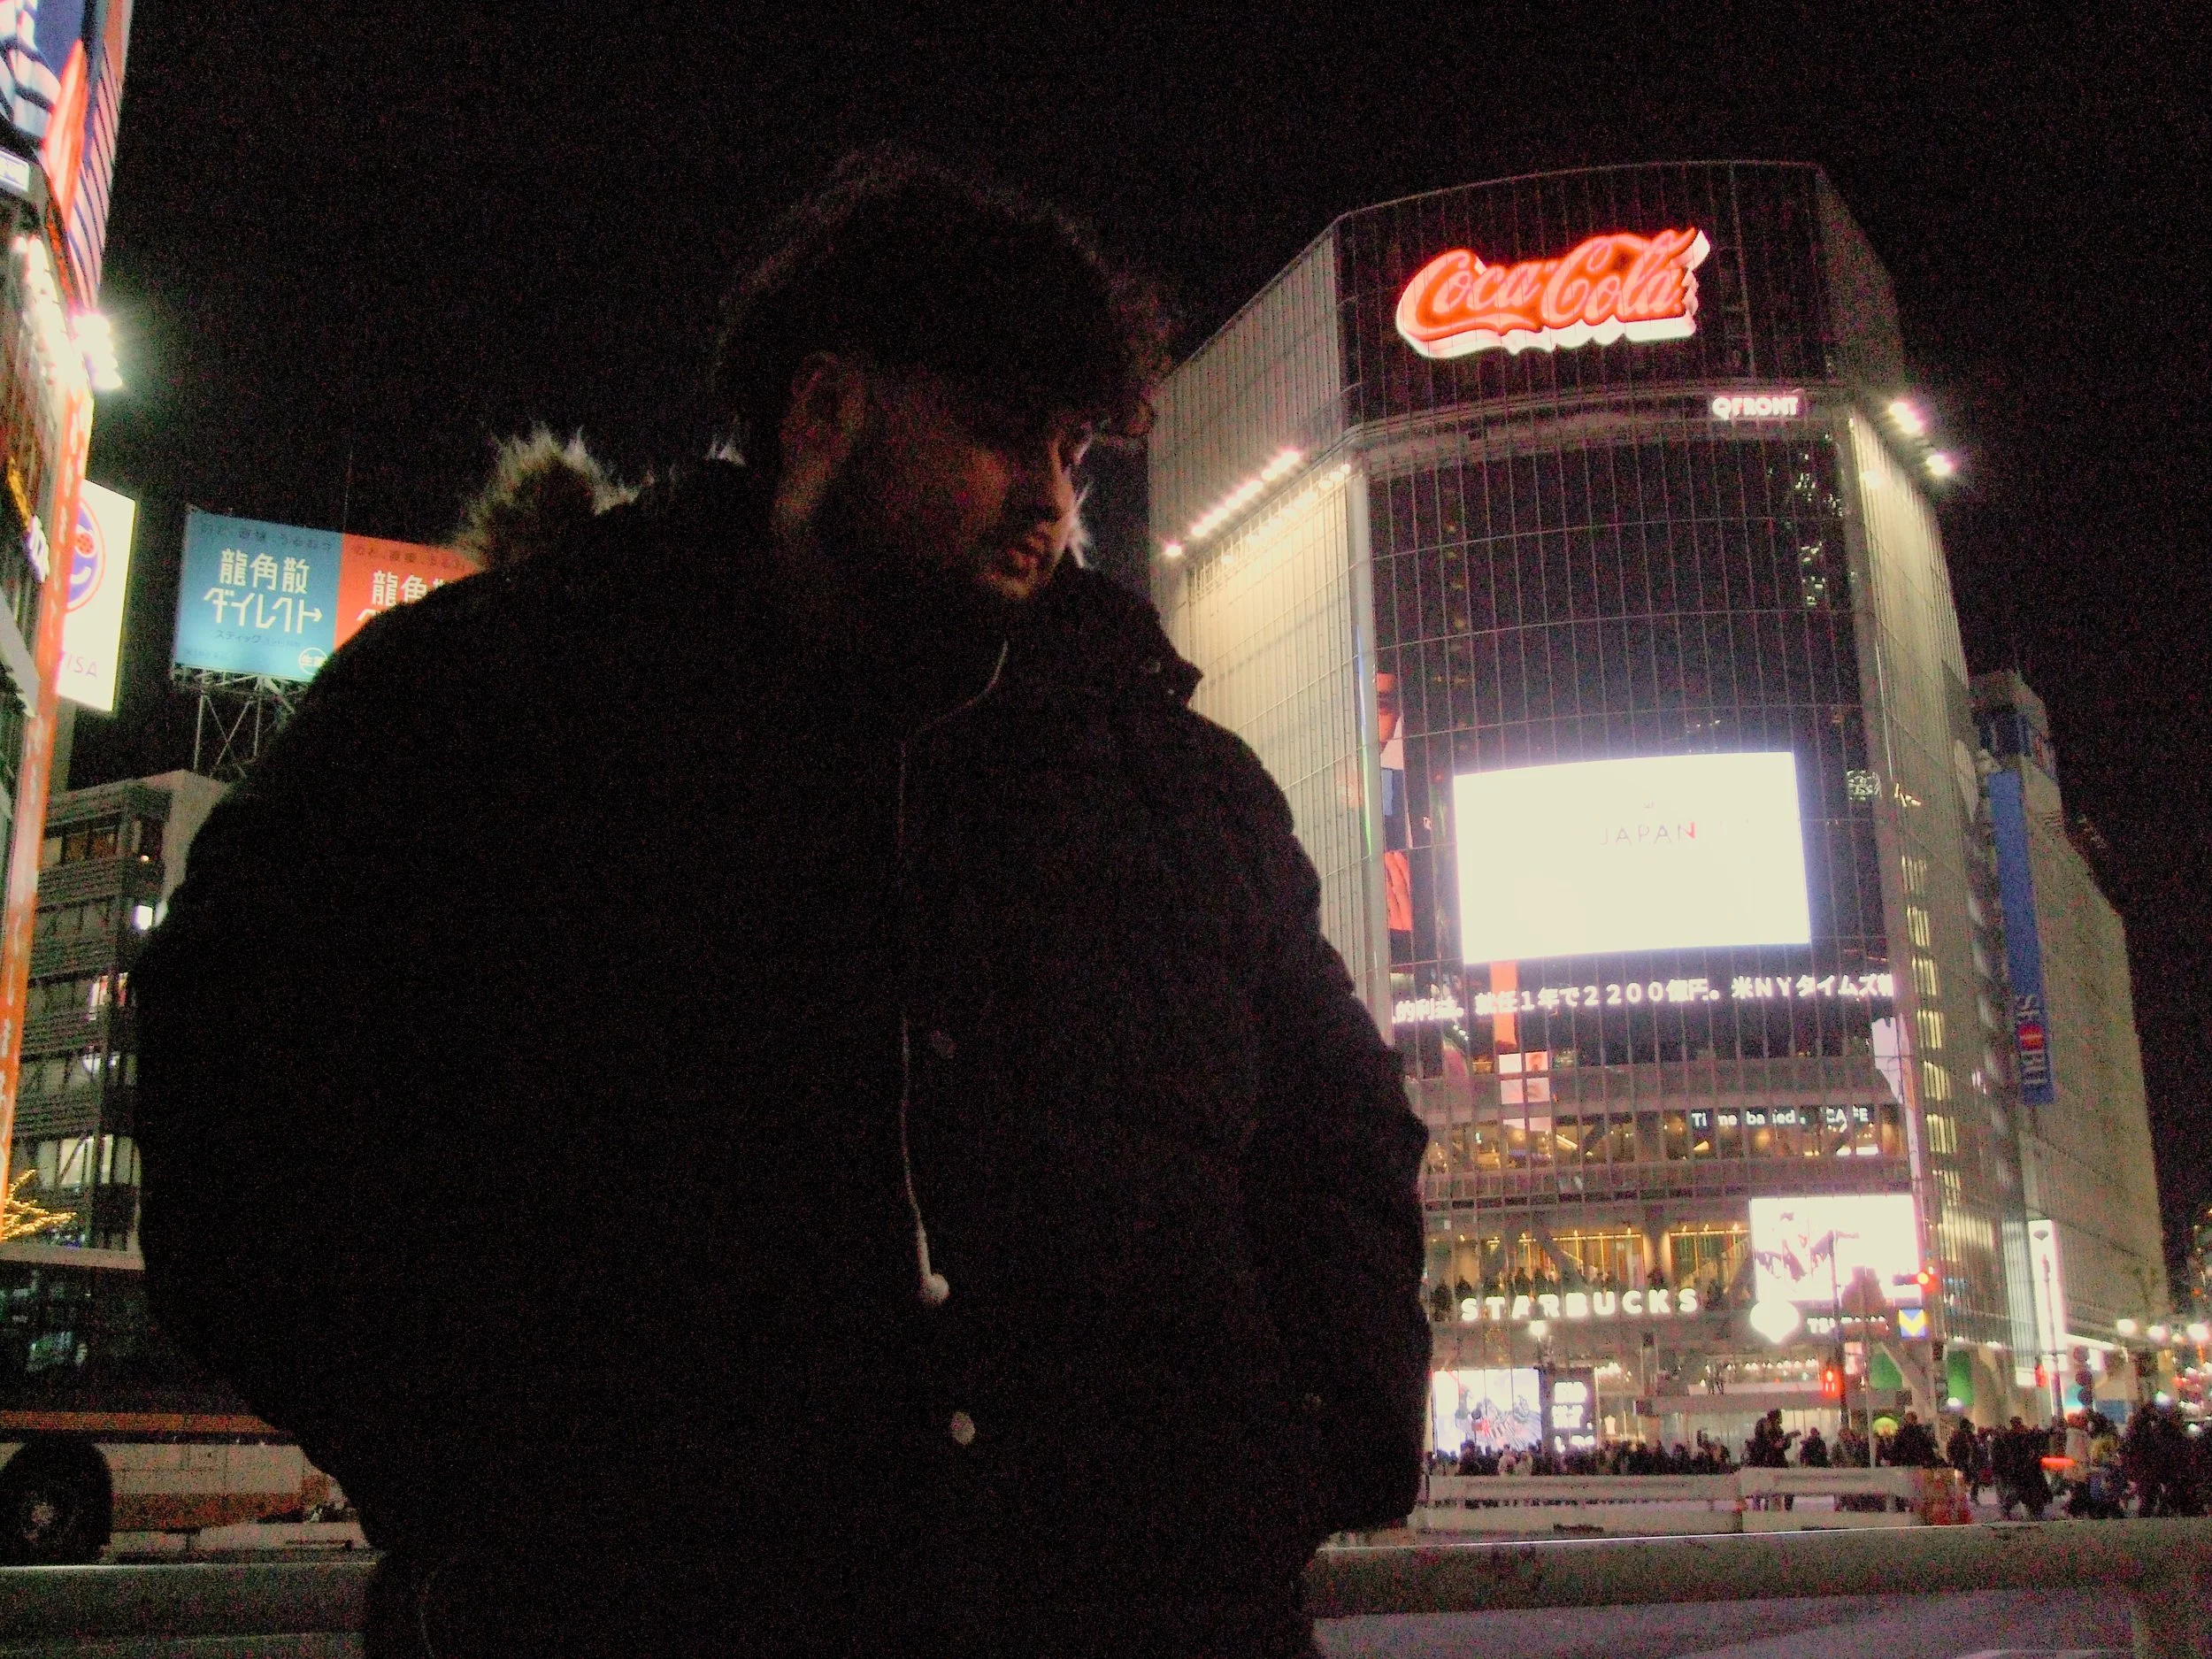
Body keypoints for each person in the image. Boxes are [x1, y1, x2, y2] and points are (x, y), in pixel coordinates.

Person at [130, 155, 1432, 1659]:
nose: (1054, 505)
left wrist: (1299, 1448)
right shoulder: (498, 705)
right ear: (825, 410)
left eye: (1078, 452)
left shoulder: (1178, 782)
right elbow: (235, 1085)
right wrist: (491, 1482)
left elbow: (1345, 1128)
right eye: (1006, 434)